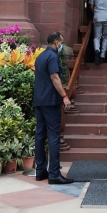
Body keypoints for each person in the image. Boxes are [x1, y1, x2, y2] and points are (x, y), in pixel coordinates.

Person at [33, 31, 75, 184]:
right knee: (54, 136)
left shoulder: (40, 56)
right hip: (50, 100)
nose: (61, 45)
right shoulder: (52, 56)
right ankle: (54, 173)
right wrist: (65, 96)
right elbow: (54, 77)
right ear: (56, 42)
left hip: (39, 100)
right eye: (61, 42)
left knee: (40, 135)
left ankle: (40, 170)